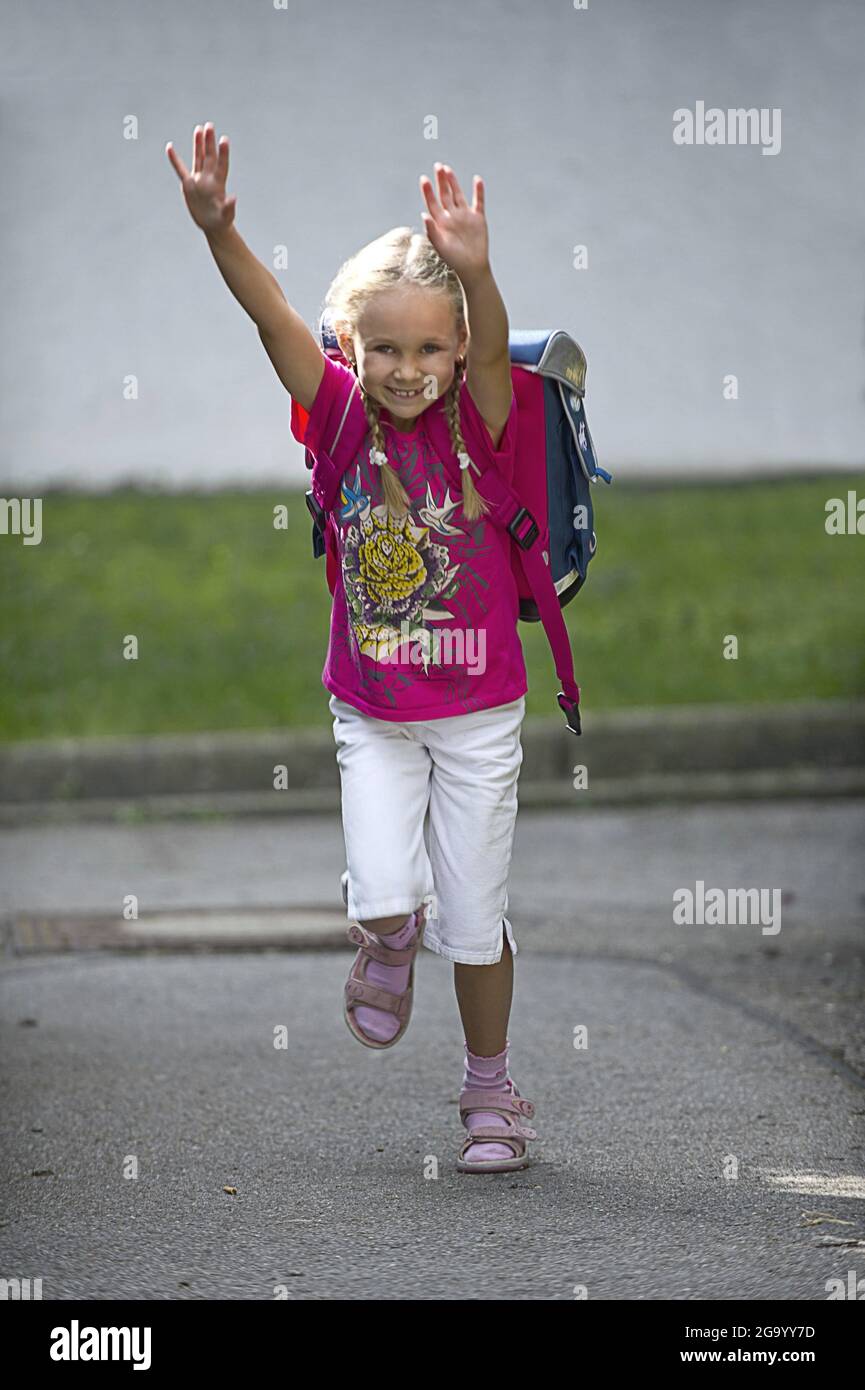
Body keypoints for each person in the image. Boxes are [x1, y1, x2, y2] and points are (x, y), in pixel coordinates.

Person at [166, 123, 538, 1173]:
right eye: (385, 348)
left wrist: (475, 270)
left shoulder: (480, 416)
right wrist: (217, 234)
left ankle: (490, 1087)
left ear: (460, 349)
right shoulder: (335, 416)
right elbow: (270, 317)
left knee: (475, 920)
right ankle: (386, 936)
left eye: (430, 347)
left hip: (476, 718)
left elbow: (490, 338)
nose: (408, 370)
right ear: (351, 345)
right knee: (384, 895)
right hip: (373, 714)